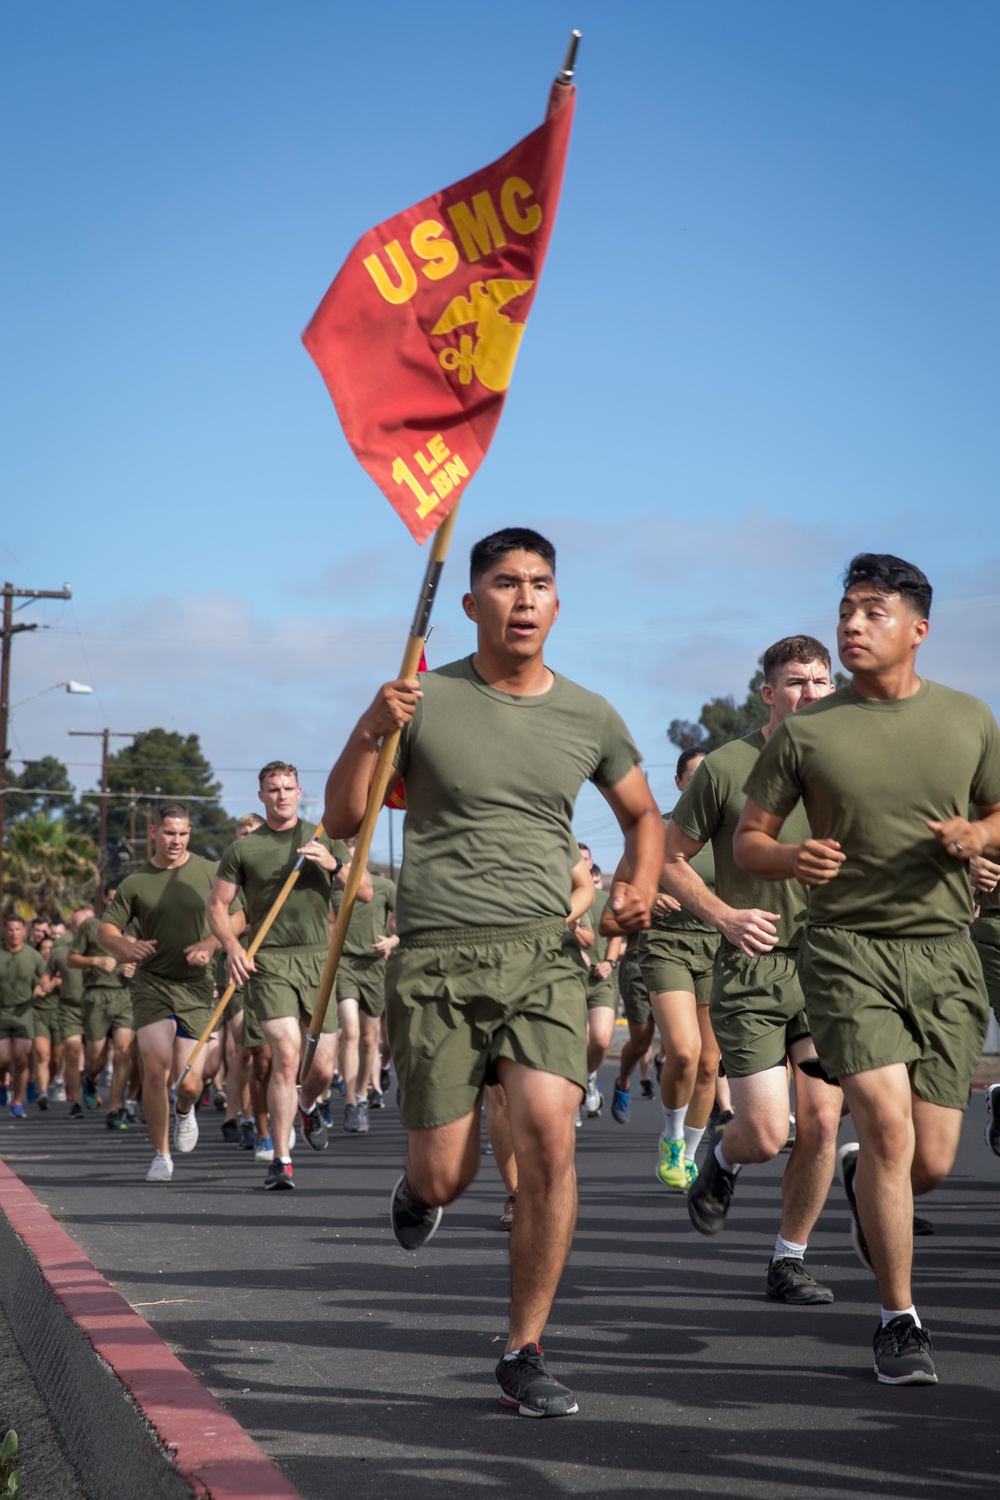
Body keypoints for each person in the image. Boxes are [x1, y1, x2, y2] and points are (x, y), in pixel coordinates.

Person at [323, 526, 663, 1419]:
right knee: (448, 1177)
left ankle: (524, 1347)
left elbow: (643, 816)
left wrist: (639, 884)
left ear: (557, 603)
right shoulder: (420, 696)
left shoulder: (589, 713)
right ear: (470, 604)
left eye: (540, 583)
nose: (523, 598)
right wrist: (372, 726)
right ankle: (420, 1187)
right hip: (435, 959)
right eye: (506, 584)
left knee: (551, 1133)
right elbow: (344, 814)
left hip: (546, 956)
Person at [734, 555, 1000, 1384]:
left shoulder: (969, 718)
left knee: (933, 1159)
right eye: (846, 610)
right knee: (885, 1125)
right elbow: (749, 839)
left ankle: (862, 1180)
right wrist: (790, 857)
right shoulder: (808, 732)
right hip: (847, 949)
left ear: (917, 629)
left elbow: (999, 812)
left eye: (872, 612)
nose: (852, 624)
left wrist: (980, 839)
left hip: (946, 954)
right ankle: (899, 1320)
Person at [664, 636, 844, 1308]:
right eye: (796, 682)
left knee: (823, 1120)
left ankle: (789, 1259)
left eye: (822, 682)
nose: (810, 693)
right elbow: (668, 859)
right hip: (752, 967)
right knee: (768, 1132)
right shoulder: (726, 768)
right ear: (767, 692)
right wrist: (722, 916)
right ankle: (724, 1152)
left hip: (830, 966)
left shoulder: (845, 767)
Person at [208, 763, 367, 1189]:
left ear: (300, 792)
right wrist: (232, 945)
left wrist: (333, 863)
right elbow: (218, 908)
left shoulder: (322, 836)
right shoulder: (243, 850)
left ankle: (309, 1105)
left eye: (288, 788)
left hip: (318, 960)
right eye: (273, 789)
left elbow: (365, 890)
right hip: (271, 962)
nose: (281, 795)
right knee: (286, 1056)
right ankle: (281, 1158)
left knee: (319, 1069)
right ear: (260, 796)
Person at [98, 803, 230, 1182]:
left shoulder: (208, 871)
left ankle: (185, 1110)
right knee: (156, 1069)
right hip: (152, 984)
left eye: (183, 833)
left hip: (197, 986)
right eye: (169, 832)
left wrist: (210, 942)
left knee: (189, 1082)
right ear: (153, 832)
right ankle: (160, 1154)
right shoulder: (135, 882)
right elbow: (106, 930)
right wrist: (124, 948)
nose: (176, 840)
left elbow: (240, 916)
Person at [637, 747, 722, 1190]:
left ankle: (688, 1155)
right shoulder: (658, 829)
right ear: (678, 783)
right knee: (685, 1052)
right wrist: (647, 897)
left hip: (717, 950)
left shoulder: (729, 829)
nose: (702, 783)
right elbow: (622, 886)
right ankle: (671, 1137)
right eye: (694, 776)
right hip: (666, 946)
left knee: (709, 1065)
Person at [331, 841, 396, 1133]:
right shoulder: (333, 886)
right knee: (351, 1031)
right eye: (348, 855)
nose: (353, 860)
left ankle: (360, 1093)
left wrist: (393, 941)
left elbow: (408, 917)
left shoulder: (384, 888)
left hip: (373, 966)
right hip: (343, 964)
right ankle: (349, 1102)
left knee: (370, 1039)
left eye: (358, 854)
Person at [69, 890, 136, 1129]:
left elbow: (148, 955)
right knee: (95, 1059)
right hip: (96, 995)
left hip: (124, 995)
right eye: (111, 899)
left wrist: (135, 968)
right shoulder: (91, 925)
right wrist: (95, 961)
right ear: (104, 900)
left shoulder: (135, 925)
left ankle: (114, 1109)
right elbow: (71, 959)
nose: (115, 902)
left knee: (124, 1051)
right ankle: (90, 1078)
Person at [0, 915, 45, 1117]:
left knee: (21, 1060)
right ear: (4, 931)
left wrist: (40, 988)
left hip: (24, 1012)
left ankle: (17, 1101)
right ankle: (3, 1082)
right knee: (3, 1059)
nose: (14, 933)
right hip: (2, 1012)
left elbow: (43, 979)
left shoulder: (33, 956)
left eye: (17, 929)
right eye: (10, 929)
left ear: (24, 931)